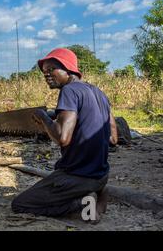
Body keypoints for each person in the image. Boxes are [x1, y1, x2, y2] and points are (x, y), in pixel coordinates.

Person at [11, 48, 118, 222]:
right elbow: (113, 138)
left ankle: (83, 204)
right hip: (101, 175)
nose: (46, 74)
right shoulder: (99, 93)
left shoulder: (69, 91)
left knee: (20, 204)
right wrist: (57, 115)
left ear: (68, 69)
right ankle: (98, 192)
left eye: (51, 69)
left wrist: (43, 117)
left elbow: (62, 138)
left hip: (78, 178)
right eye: (44, 72)